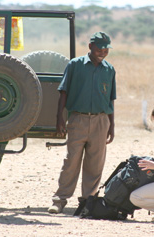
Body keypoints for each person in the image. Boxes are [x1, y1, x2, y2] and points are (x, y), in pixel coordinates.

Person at [48, 32, 116, 214]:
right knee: (71, 161)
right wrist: (59, 117)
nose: (102, 52)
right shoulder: (75, 65)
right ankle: (59, 200)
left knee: (95, 164)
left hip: (101, 121)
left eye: (106, 49)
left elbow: (111, 100)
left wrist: (112, 125)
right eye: (99, 48)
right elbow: (63, 92)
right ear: (90, 47)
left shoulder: (109, 69)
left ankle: (88, 202)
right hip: (77, 119)